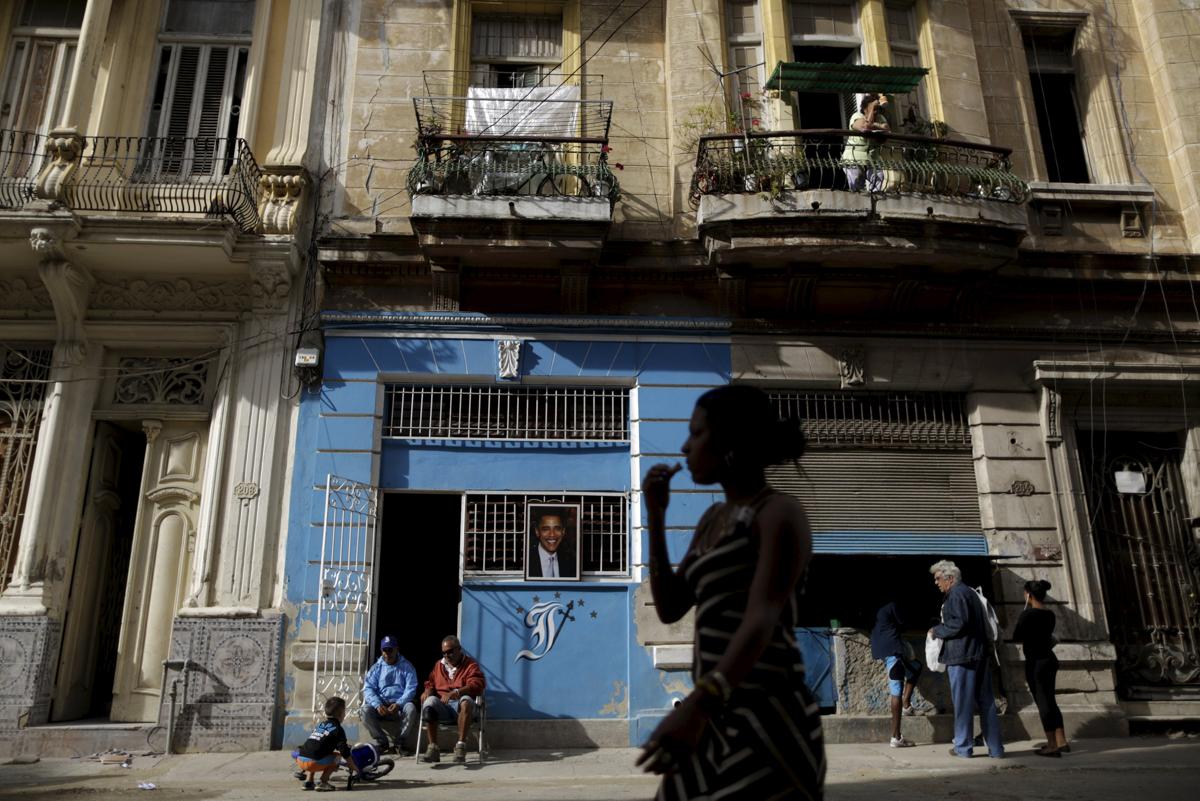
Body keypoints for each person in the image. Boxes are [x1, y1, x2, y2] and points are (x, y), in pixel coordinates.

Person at [636, 385, 825, 800]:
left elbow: (763, 616)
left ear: (729, 440)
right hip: (712, 717)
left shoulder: (778, 513)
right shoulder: (712, 520)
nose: (685, 447)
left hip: (767, 720)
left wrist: (697, 706)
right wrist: (655, 516)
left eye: (696, 433)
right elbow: (669, 607)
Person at [929, 560, 1004, 759]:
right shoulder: (970, 593)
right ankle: (996, 749)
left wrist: (936, 630)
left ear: (950, 578)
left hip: (962, 656)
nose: (936, 583)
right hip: (978, 654)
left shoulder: (956, 594)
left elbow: (959, 624)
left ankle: (963, 747)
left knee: (963, 703)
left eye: (938, 578)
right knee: (986, 702)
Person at [1013, 579, 1068, 757]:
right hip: (1050, 660)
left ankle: (1052, 745)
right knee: (1051, 700)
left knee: (1042, 702)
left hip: (1036, 663)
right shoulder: (1049, 615)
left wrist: (1023, 614)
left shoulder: (1026, 615)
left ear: (1028, 595)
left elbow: (1016, 636)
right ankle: (1062, 741)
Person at [420, 635, 487, 764]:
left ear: (459, 649)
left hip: (462, 708)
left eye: (450, 651)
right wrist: (427, 690)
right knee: (429, 702)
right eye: (444, 653)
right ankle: (433, 748)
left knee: (466, 701)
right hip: (444, 706)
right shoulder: (439, 665)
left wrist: (457, 692)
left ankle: (461, 746)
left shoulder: (470, 664)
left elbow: (478, 684)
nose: (447, 655)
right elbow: (431, 682)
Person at [870, 600, 923, 747]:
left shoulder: (878, 609)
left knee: (915, 667)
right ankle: (896, 737)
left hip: (881, 649)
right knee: (896, 691)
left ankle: (906, 705)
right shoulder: (893, 605)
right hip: (893, 650)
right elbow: (902, 622)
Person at [361, 635, 419, 755]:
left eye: (390, 649)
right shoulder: (376, 668)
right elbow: (368, 688)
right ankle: (382, 742)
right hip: (381, 706)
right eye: (384, 650)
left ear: (397, 649)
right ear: (381, 651)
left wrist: (399, 703)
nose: (387, 653)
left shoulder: (407, 667)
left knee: (411, 708)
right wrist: (377, 705)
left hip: (399, 707)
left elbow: (411, 688)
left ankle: (400, 743)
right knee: (364, 710)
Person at [294, 696, 361, 792]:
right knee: (337, 757)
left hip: (300, 760)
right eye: (344, 712)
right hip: (312, 763)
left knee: (316, 752)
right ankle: (323, 782)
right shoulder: (338, 729)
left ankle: (309, 781)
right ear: (341, 714)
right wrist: (352, 765)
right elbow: (344, 751)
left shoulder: (321, 725)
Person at [842, 92, 890, 192]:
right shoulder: (857, 116)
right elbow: (864, 127)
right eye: (874, 108)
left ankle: (875, 203)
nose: (876, 111)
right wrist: (879, 125)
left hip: (872, 157)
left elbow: (887, 132)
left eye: (877, 108)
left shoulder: (881, 118)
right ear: (865, 109)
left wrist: (876, 125)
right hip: (854, 158)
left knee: (878, 178)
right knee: (857, 185)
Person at [526, 508, 577, 579]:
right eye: (546, 529)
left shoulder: (572, 562)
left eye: (557, 529)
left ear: (563, 531)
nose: (552, 535)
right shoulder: (527, 560)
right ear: (537, 531)